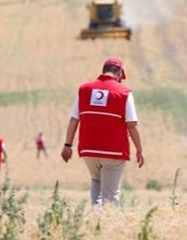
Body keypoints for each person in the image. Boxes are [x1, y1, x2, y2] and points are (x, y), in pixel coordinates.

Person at [61, 57, 145, 207]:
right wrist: (139, 150)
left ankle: (96, 220)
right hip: (114, 151)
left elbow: (74, 120)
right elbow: (131, 125)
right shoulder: (124, 92)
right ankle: (109, 225)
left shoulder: (84, 89)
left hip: (88, 150)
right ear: (119, 73)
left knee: (96, 181)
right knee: (111, 196)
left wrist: (67, 145)